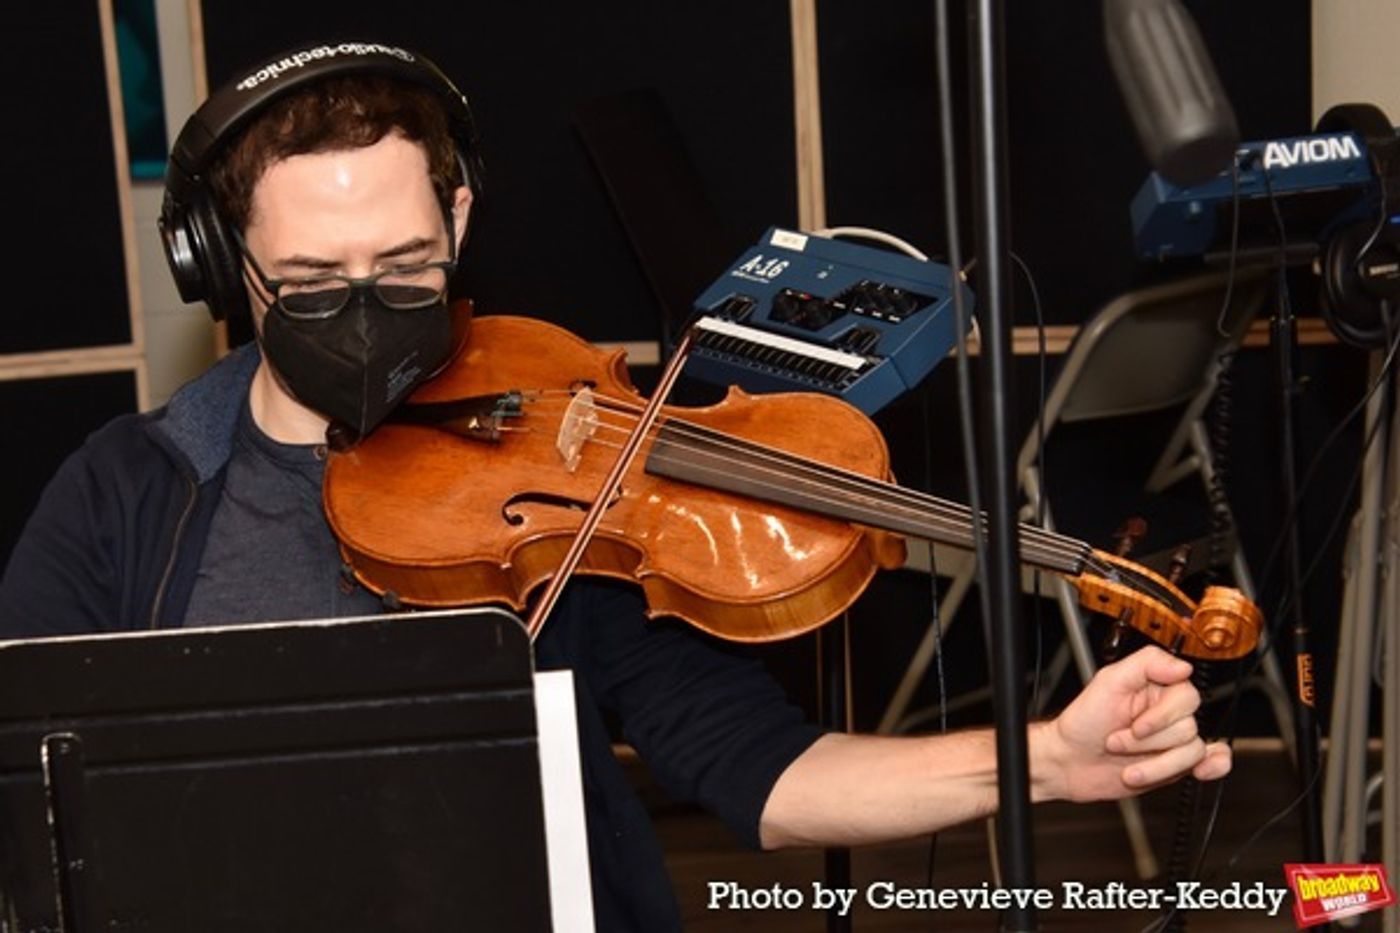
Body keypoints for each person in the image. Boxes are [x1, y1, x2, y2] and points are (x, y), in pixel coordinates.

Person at [0, 42, 1230, 931]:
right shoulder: (124, 496)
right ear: (226, 268)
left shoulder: (558, 478)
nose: (365, 311)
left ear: (461, 217)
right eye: (313, 285)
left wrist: (1044, 762)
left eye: (407, 265)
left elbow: (761, 770)